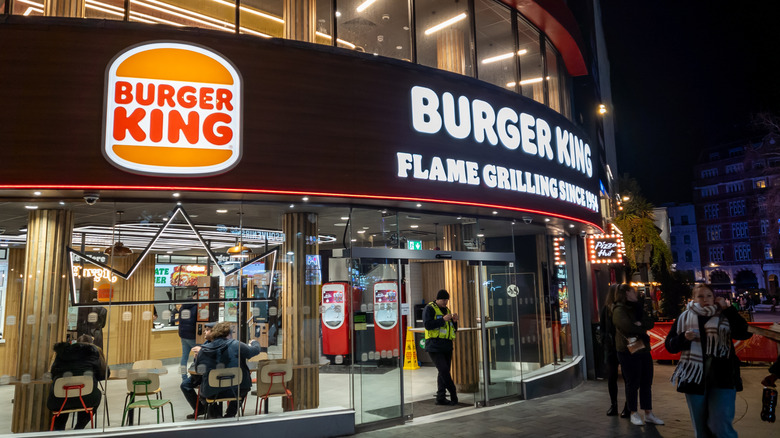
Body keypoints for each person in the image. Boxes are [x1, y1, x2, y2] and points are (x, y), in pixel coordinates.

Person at [665, 284, 752, 437]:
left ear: (715, 298)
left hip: (723, 378)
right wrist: (683, 338)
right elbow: (670, 346)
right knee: (701, 430)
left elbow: (744, 333)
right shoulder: (684, 317)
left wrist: (728, 309)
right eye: (700, 296)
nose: (705, 299)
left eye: (708, 296)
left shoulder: (724, 315)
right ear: (693, 299)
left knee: (720, 426)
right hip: (694, 379)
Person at [612, 283, 664, 426]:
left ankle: (648, 413)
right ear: (626, 294)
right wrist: (640, 326)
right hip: (628, 350)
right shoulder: (619, 309)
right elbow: (628, 327)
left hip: (643, 348)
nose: (636, 294)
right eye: (633, 292)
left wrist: (640, 324)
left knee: (646, 381)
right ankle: (633, 412)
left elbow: (650, 322)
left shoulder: (638, 307)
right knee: (632, 382)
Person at [194, 322, 262, 417]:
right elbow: (254, 351)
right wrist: (255, 342)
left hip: (212, 391)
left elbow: (198, 370)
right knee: (244, 386)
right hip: (235, 390)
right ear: (228, 334)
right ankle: (230, 414)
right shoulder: (236, 345)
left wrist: (196, 358)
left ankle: (214, 413)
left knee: (204, 391)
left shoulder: (204, 350)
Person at [48, 334, 109, 430]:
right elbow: (103, 375)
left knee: (64, 398)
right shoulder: (94, 353)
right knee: (93, 394)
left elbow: (52, 373)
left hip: (59, 399)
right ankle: (79, 427)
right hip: (86, 398)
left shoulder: (62, 353)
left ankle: (59, 429)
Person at [423, 289, 459, 406]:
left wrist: (454, 322)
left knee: (443, 372)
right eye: (443, 300)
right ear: (437, 299)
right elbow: (428, 325)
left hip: (447, 345)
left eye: (446, 300)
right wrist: (442, 320)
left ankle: (441, 397)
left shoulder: (447, 310)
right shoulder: (429, 308)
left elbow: (453, 329)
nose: (445, 302)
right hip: (434, 345)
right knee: (443, 370)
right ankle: (453, 393)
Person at [599, 283, 628, 418]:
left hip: (623, 346)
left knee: (626, 377)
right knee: (612, 377)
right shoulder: (607, 309)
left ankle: (627, 405)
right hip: (612, 347)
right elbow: (602, 328)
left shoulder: (623, 308)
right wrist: (606, 341)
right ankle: (614, 405)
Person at [181, 322, 214, 419]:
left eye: (207, 330)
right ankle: (199, 408)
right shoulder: (206, 343)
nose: (204, 332)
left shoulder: (217, 345)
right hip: (200, 374)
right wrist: (197, 357)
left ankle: (208, 406)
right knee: (185, 385)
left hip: (210, 375)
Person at [171, 291, 199, 379]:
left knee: (184, 357)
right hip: (192, 335)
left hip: (183, 334)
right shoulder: (197, 307)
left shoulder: (183, 306)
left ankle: (184, 377)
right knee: (199, 354)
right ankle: (196, 376)